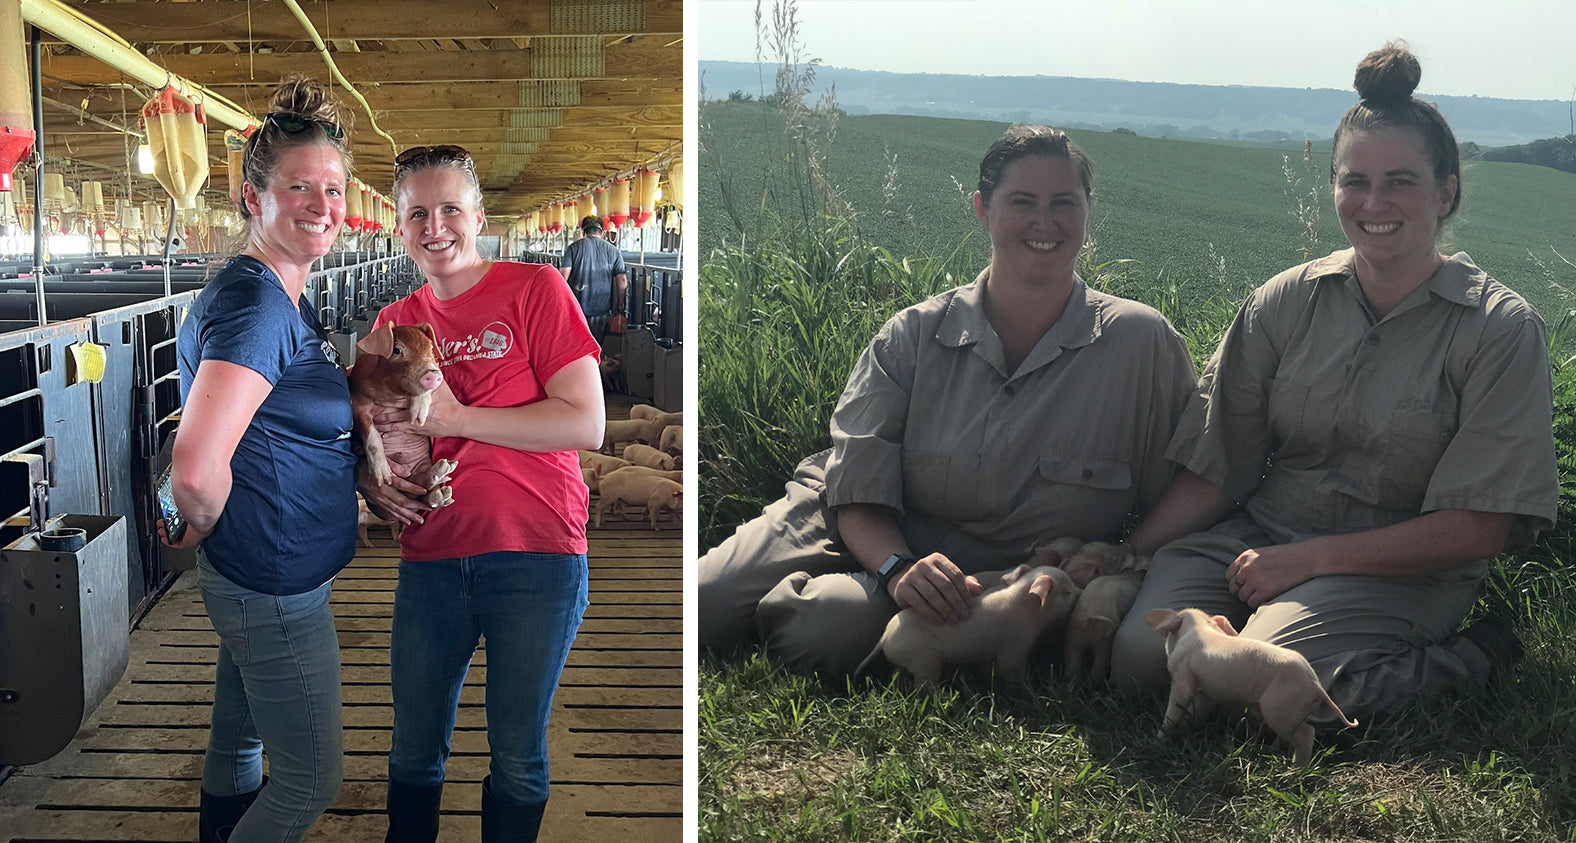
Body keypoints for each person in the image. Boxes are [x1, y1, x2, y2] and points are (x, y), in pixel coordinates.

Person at [1108, 42, 1558, 727]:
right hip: (1262, 537)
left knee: (1256, 696)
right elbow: (1218, 464)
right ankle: (1271, 634)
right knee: (1141, 660)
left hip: (1402, 567)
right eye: (1355, 181)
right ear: (1334, 188)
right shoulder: (1286, 301)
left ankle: (1470, 656)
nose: (1374, 202)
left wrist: (1310, 560)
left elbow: (1480, 526)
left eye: (1400, 181)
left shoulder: (1497, 328)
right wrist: (1127, 551)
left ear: (1446, 191)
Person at [697, 124, 1199, 676]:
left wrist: (1113, 562)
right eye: (1023, 202)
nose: (1045, 223)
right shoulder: (912, 335)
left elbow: (1184, 490)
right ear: (982, 209)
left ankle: (839, 610)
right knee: (702, 603)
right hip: (857, 520)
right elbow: (857, 487)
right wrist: (897, 567)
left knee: (821, 632)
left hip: (1000, 577)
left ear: (1087, 210)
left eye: (1064, 203)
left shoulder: (1141, 343)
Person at [359, 143, 603, 842]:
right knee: (412, 747)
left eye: (449, 210)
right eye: (417, 214)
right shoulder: (392, 325)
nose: (435, 226)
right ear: (398, 227)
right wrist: (372, 485)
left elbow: (586, 420)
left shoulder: (536, 290)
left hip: (538, 553)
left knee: (518, 751)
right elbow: (368, 427)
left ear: (479, 216)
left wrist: (460, 419)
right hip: (433, 556)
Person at [164, 76, 356, 842]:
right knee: (311, 776)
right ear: (253, 198)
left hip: (264, 571)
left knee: (240, 737)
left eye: (333, 188)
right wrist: (200, 518)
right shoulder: (254, 306)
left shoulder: (280, 294)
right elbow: (196, 468)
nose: (321, 204)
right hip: (272, 579)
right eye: (298, 187)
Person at [560, 214, 628, 345]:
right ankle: (597, 364)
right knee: (597, 345)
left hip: (576, 309)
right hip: (601, 310)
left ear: (582, 231)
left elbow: (563, 276)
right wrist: (620, 305)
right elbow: (622, 281)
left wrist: (562, 304)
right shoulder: (614, 251)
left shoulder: (573, 248)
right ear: (602, 232)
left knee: (578, 346)